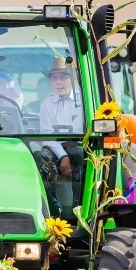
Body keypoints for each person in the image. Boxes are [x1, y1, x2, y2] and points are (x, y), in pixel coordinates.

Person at [38, 56, 84, 218]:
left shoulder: (83, 101)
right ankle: (52, 208)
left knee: (79, 153)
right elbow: (47, 136)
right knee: (40, 157)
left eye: (63, 77)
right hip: (55, 146)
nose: (59, 82)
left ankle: (79, 208)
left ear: (72, 79)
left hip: (77, 146)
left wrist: (68, 155)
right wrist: (63, 156)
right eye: (54, 78)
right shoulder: (46, 104)